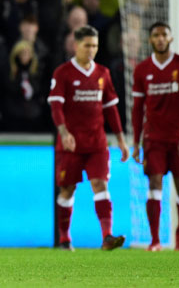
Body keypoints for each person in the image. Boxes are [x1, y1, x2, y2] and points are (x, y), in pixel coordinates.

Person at [47, 25, 128, 251]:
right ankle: (64, 239)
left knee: (100, 184)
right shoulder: (62, 73)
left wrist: (121, 140)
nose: (91, 50)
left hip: (97, 143)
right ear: (76, 45)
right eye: (87, 45)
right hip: (70, 144)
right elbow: (56, 107)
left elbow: (111, 109)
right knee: (67, 189)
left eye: (95, 45)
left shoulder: (103, 73)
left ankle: (107, 237)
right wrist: (64, 133)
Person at [132, 22, 179, 251]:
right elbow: (137, 107)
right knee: (154, 183)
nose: (160, 38)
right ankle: (155, 240)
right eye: (156, 35)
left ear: (171, 38)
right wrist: (135, 141)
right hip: (154, 138)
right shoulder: (142, 69)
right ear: (150, 40)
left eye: (164, 35)